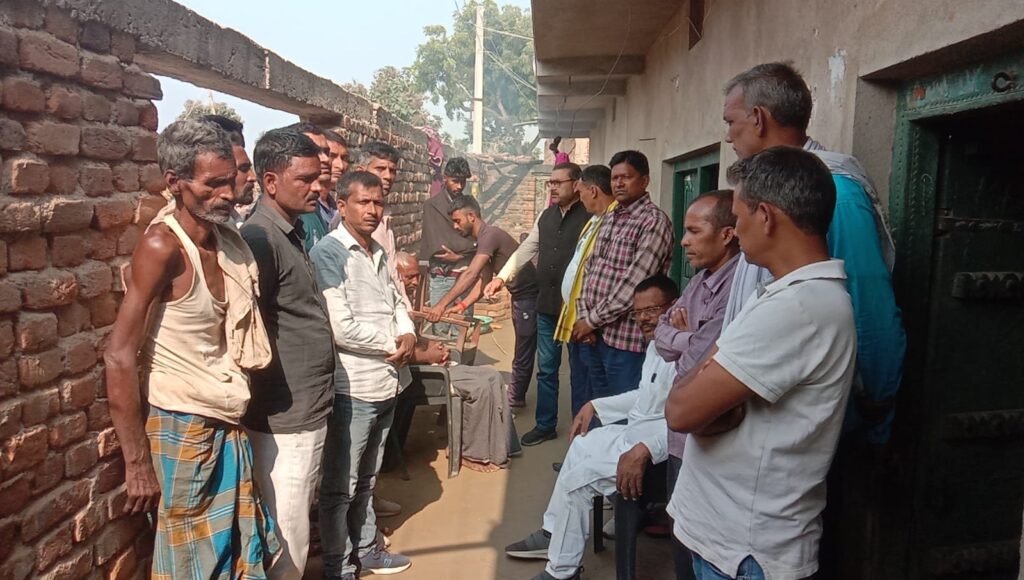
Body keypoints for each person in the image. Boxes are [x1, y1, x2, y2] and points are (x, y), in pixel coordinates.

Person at [665, 146, 857, 580]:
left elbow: (679, 411)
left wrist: (704, 388)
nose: (735, 231)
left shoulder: (797, 308)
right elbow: (695, 389)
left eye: (738, 217)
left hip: (745, 552)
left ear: (766, 216)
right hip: (729, 540)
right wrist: (715, 394)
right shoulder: (778, 294)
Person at [105, 119, 278, 578]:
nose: (228, 193)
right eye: (212, 184)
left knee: (234, 556)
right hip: (183, 425)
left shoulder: (225, 242)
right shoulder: (163, 247)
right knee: (190, 566)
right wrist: (137, 463)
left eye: (230, 180)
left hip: (227, 419)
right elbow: (119, 354)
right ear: (175, 183)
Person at [721, 61, 906, 444]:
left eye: (731, 122)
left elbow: (868, 304)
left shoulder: (834, 193)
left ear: (758, 118)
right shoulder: (768, 191)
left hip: (819, 422)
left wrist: (876, 404)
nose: (727, 136)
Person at [504, 275, 680, 580]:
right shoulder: (657, 346)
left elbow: (687, 424)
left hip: (656, 456)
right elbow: (645, 395)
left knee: (578, 482)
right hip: (633, 435)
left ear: (674, 306)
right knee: (582, 444)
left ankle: (562, 571)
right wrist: (595, 405)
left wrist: (647, 448)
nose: (643, 319)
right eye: (638, 313)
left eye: (652, 310)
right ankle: (552, 533)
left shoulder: (685, 355)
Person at [239, 128, 336, 580]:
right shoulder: (260, 239)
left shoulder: (289, 231)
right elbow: (249, 328)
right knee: (287, 528)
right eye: (305, 179)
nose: (317, 186)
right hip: (284, 414)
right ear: (271, 181)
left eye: (318, 177)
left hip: (304, 406)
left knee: (294, 520)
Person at [312, 171, 416, 579]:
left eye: (378, 203)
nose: (373, 210)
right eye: (363, 202)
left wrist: (408, 331)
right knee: (342, 485)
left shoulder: (377, 251)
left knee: (368, 479)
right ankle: (338, 566)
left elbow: (397, 301)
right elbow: (341, 327)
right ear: (342, 206)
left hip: (386, 381)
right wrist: (394, 342)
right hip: (353, 388)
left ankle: (368, 550)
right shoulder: (329, 253)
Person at [653, 190, 740, 579]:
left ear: (727, 234)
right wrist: (691, 338)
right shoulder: (699, 281)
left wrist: (685, 344)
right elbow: (660, 335)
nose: (684, 241)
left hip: (706, 438)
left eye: (694, 231)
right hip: (679, 439)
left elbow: (698, 364)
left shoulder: (735, 288)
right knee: (680, 531)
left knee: (700, 546)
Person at [484, 162, 590, 442]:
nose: (552, 187)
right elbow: (526, 250)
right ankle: (545, 425)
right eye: (550, 182)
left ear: (576, 184)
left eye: (558, 182)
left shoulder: (589, 217)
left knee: (580, 372)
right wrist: (501, 278)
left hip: (577, 311)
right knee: (547, 369)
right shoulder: (546, 216)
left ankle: (582, 434)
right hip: (546, 306)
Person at [395, 252, 521, 471]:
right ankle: (470, 452)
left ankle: (501, 447)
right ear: (395, 275)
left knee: (493, 376)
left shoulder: (401, 299)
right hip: (419, 376)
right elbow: (399, 352)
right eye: (409, 277)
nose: (415, 281)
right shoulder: (389, 304)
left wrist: (432, 345)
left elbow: (414, 339)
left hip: (428, 364)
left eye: (417, 276)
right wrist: (430, 356)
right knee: (479, 388)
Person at [570, 151, 673, 418]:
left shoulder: (653, 222)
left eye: (626, 177)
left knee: (621, 413)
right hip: (594, 336)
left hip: (626, 342)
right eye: (614, 178)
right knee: (595, 409)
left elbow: (634, 285)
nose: (618, 183)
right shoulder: (610, 217)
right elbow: (589, 271)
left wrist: (590, 321)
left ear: (645, 180)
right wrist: (584, 318)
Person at [425, 196, 540, 425]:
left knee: (523, 350)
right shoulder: (483, 241)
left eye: (457, 221)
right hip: (520, 298)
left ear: (471, 216)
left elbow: (470, 274)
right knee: (522, 348)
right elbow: (482, 281)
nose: (455, 226)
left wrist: (441, 304)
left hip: (530, 298)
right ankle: (516, 396)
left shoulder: (490, 235)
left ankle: (514, 400)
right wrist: (461, 306)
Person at [554, 165, 617, 435]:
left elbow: (607, 281)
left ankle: (590, 445)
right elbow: (584, 270)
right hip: (578, 320)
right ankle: (579, 444)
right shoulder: (594, 221)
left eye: (580, 192)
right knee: (580, 386)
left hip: (594, 326)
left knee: (595, 394)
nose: (579, 198)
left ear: (593, 190)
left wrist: (589, 322)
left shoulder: (613, 222)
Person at [420, 157, 477, 337]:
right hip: (441, 276)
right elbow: (435, 242)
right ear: (445, 178)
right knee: (440, 327)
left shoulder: (470, 205)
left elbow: (478, 237)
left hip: (464, 275)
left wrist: (459, 256)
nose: (459, 186)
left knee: (462, 328)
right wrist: (465, 248)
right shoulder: (432, 206)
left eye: (463, 182)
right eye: (455, 181)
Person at [354, 141, 413, 312]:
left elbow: (391, 270)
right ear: (361, 171)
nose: (388, 176)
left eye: (392, 170)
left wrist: (405, 308)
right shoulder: (352, 218)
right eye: (380, 169)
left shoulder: (385, 214)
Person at [201, 114, 257, 226]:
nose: (252, 177)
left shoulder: (232, 222)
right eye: (243, 168)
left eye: (241, 146)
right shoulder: (201, 227)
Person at [287, 123, 333, 250]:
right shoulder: (289, 210)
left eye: (327, 152)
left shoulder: (313, 205)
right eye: (314, 152)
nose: (325, 159)